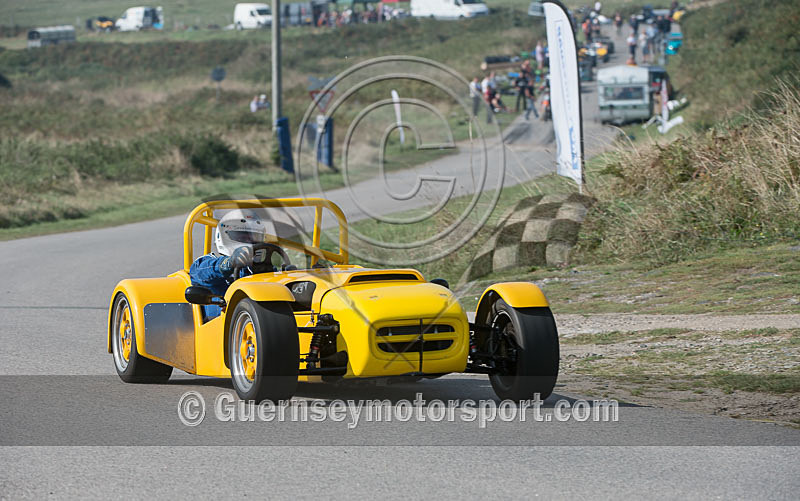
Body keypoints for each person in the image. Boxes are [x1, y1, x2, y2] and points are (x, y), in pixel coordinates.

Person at [189, 209, 266, 319]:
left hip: (259, 321)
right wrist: (228, 264)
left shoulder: (261, 269)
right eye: (242, 237)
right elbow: (199, 272)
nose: (249, 242)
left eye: (254, 238)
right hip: (218, 325)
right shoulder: (207, 264)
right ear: (223, 235)